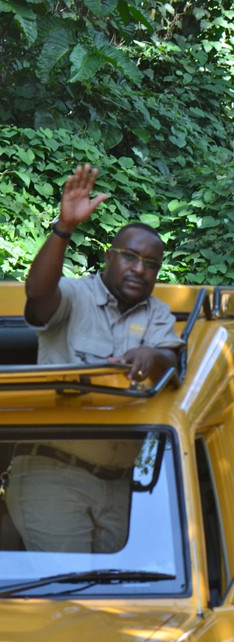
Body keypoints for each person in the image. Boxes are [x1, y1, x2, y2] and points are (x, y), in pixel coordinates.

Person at [7, 164, 183, 554]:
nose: (140, 269)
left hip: (119, 484)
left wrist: (150, 354)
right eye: (130, 257)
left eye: (151, 264)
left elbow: (170, 362)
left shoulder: (156, 312)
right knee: (71, 588)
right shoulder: (75, 295)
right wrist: (64, 228)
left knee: (113, 591)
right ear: (109, 257)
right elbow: (38, 294)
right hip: (54, 475)